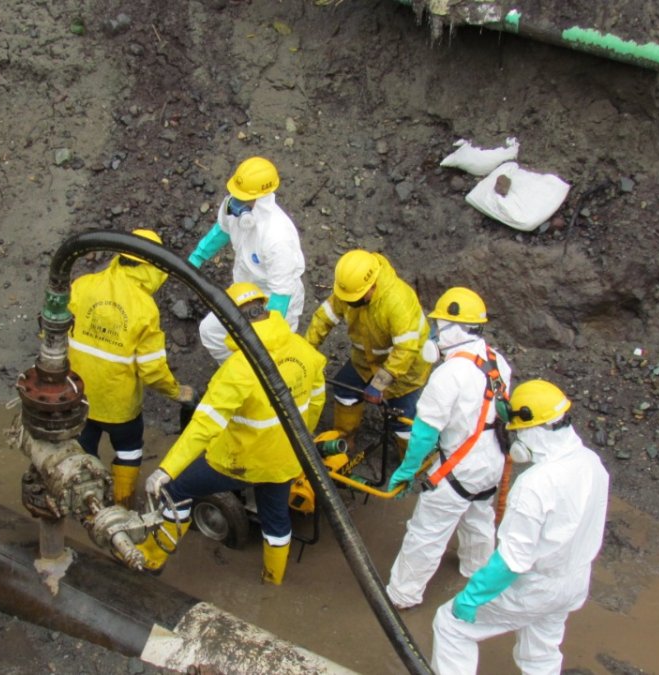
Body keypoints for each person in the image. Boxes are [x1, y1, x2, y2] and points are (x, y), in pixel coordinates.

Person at [136, 282, 326, 584]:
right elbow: (316, 401)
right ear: (264, 310)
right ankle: (272, 580)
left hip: (242, 460)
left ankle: (151, 557)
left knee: (177, 491)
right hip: (286, 459)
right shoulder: (305, 351)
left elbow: (203, 426)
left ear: (232, 321)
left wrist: (165, 470)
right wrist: (299, 442)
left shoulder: (238, 368)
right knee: (276, 519)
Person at [431, 380, 609, 675]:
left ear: (532, 430)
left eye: (518, 433)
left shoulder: (536, 484)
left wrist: (472, 597)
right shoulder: (592, 463)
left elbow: (513, 559)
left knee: (452, 625)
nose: (516, 441)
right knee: (541, 651)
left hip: (535, 586)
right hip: (574, 582)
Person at [383, 287, 513, 610]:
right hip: (492, 461)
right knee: (479, 515)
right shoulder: (498, 362)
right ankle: (475, 568)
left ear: (456, 329)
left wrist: (406, 472)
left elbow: (425, 433)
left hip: (458, 468)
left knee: (426, 534)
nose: (436, 332)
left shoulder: (449, 375)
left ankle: (402, 595)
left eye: (441, 325)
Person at [68, 229, 194, 508]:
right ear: (151, 266)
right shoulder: (144, 307)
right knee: (128, 451)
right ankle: (122, 507)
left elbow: (53, 332)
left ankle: (85, 502)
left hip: (78, 396)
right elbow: (152, 370)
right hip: (119, 406)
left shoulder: (83, 285)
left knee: (82, 448)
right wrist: (177, 392)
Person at [305, 249, 432, 446]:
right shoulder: (350, 290)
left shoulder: (397, 302)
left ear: (372, 287)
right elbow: (324, 318)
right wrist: (306, 353)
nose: (348, 301)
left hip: (405, 373)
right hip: (365, 360)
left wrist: (379, 384)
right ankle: (343, 442)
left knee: (401, 421)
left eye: (354, 297)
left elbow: (406, 351)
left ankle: (408, 467)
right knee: (344, 391)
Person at [187, 156, 306, 362]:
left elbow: (281, 295)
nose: (234, 202)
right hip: (244, 291)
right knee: (210, 332)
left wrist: (266, 334)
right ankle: (235, 368)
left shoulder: (277, 238)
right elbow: (222, 231)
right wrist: (196, 258)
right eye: (235, 194)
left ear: (261, 200)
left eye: (242, 197)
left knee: (272, 356)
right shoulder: (234, 208)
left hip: (273, 301)